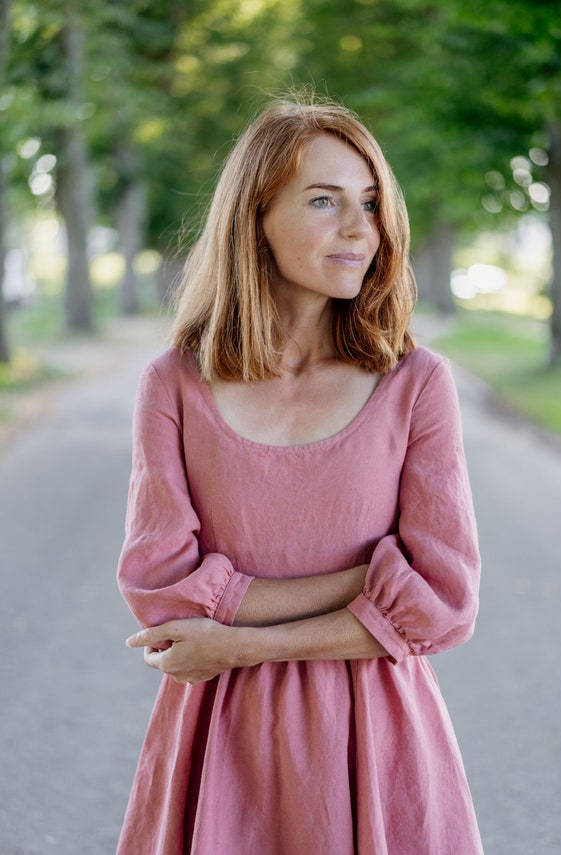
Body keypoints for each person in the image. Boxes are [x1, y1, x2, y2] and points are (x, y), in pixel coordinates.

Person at [116, 96, 483, 855]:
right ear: (256, 216)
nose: (360, 229)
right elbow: (163, 593)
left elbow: (443, 601)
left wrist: (240, 640)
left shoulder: (416, 383)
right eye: (325, 200)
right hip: (218, 737)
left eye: (371, 203)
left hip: (377, 742)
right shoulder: (174, 384)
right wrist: (369, 581)